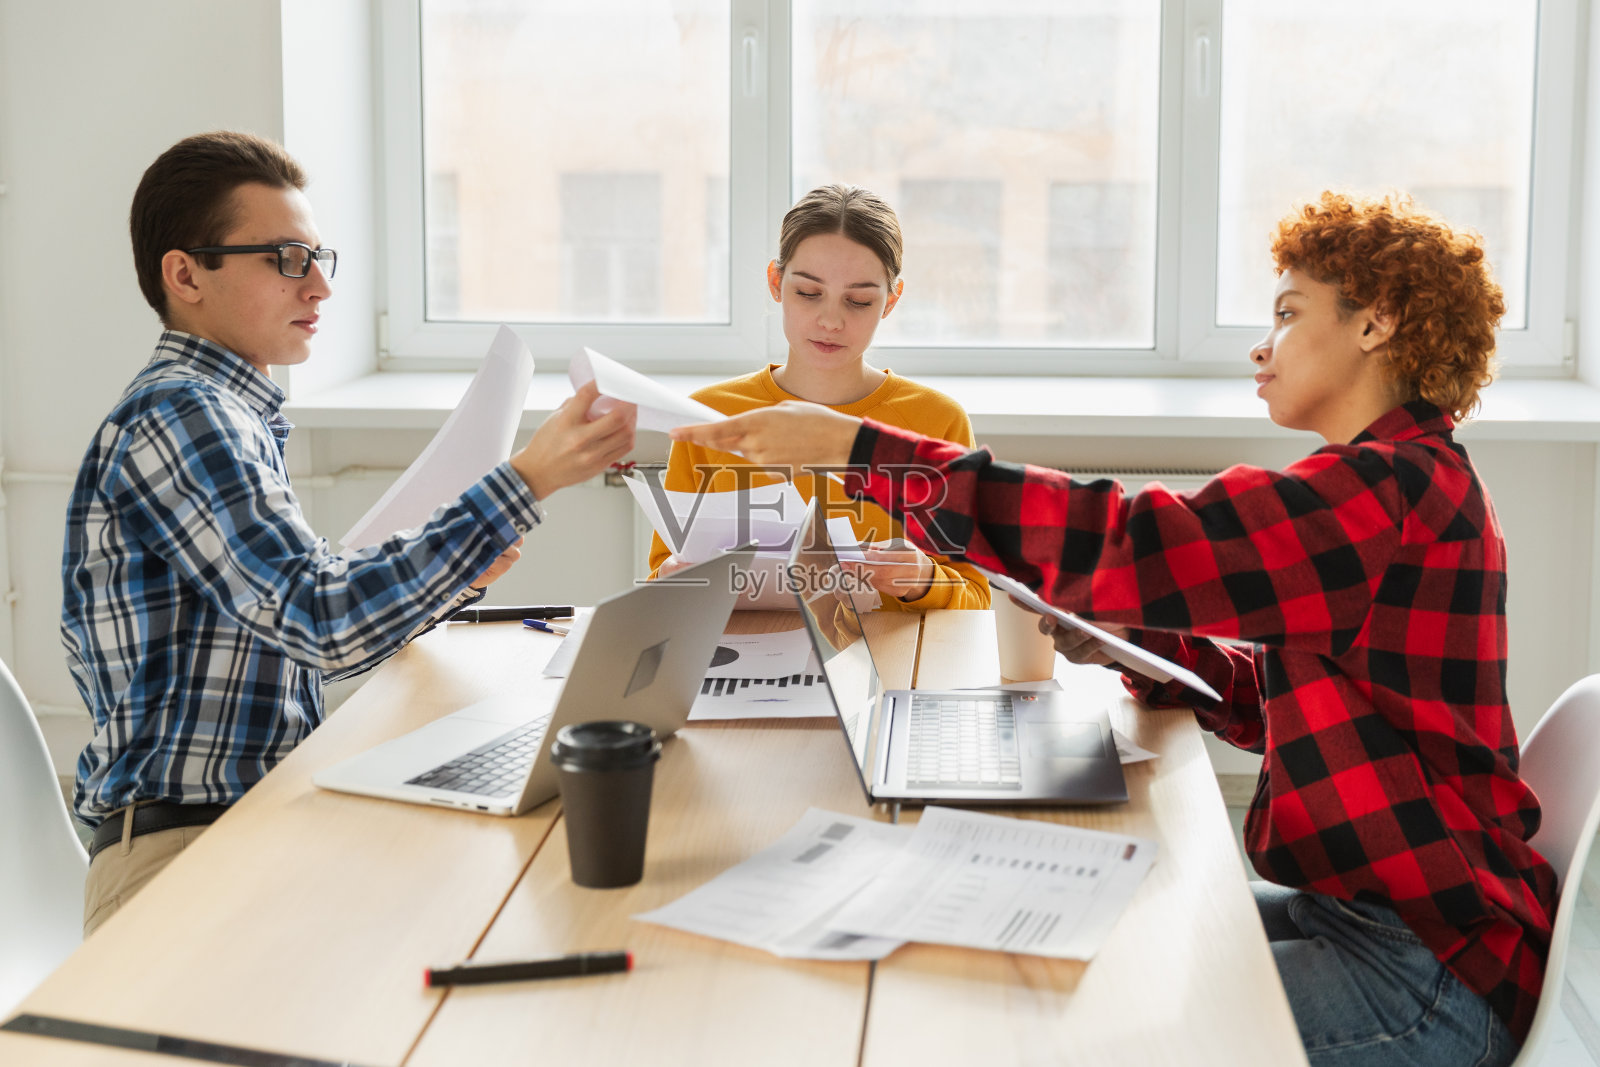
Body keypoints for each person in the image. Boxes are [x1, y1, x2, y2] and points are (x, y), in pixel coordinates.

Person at [670, 191, 1555, 1067]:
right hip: (1368, 919)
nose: (1262, 342)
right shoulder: (1394, 483)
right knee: (1086, 956)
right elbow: (1273, 697)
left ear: (1378, 324)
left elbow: (1130, 538)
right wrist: (1145, 650)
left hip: (1426, 977)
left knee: (1081, 1027)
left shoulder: (1384, 493)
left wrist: (861, 452)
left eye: (1288, 313)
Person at [63, 131, 635, 935]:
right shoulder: (180, 415)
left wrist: (453, 574)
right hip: (180, 855)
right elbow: (323, 623)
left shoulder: (226, 412)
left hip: (252, 821)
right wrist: (527, 478)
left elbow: (305, 632)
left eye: (320, 258)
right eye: (287, 259)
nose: (321, 287)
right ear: (185, 273)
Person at [648, 184, 988, 611]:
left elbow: (976, 594)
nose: (831, 320)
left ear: (891, 301)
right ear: (776, 281)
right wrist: (676, 581)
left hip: (894, 663)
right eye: (809, 293)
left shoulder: (936, 421)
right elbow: (664, 576)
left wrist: (922, 579)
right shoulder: (710, 416)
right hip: (746, 661)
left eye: (859, 301)